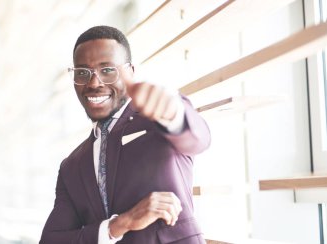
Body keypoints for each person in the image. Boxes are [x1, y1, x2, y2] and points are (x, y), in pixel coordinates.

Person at [39, 25, 211, 244]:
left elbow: (199, 138)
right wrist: (120, 224)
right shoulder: (71, 166)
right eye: (82, 72)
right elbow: (51, 241)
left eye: (107, 70)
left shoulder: (159, 118)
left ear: (130, 72)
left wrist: (173, 112)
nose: (93, 83)